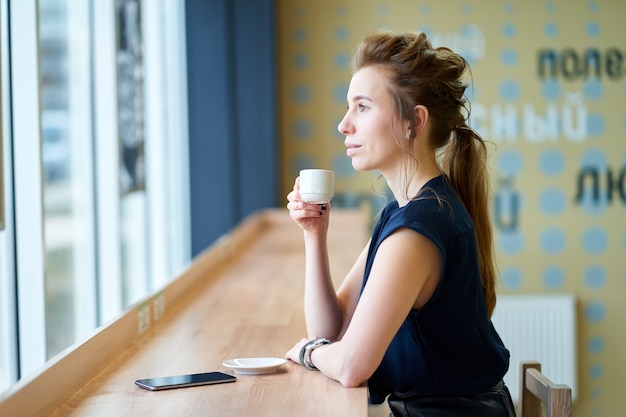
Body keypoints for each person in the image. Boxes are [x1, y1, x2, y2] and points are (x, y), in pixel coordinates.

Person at [285, 30, 516, 417]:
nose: (344, 125)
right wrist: (314, 235)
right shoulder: (404, 212)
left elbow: (350, 366)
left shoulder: (416, 232)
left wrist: (308, 352)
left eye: (362, 107)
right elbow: (332, 330)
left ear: (414, 121)